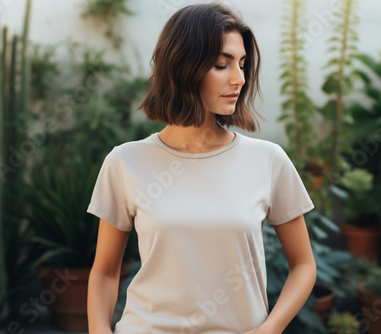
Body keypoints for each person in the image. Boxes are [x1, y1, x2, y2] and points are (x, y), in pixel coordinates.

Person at [86, 2, 316, 334]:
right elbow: (105, 271)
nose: (239, 78)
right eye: (223, 65)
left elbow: (304, 265)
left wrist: (270, 329)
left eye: (242, 64)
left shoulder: (268, 160)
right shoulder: (125, 162)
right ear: (183, 67)